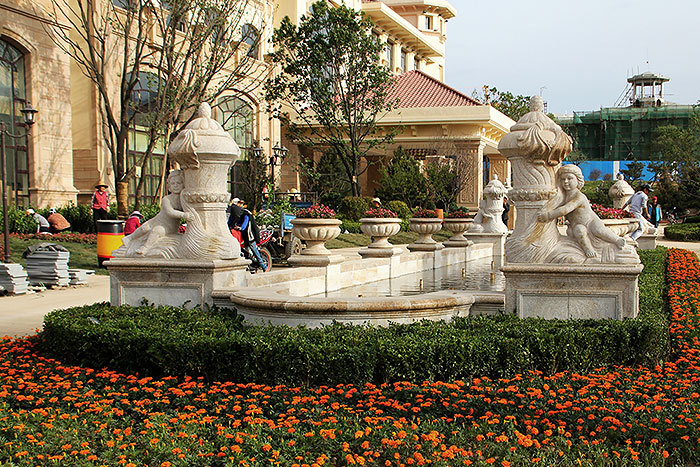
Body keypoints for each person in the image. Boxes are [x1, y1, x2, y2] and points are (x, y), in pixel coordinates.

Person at [537, 164, 625, 258]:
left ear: (578, 180)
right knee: (579, 231)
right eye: (563, 179)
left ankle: (617, 240)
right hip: (577, 225)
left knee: (600, 230)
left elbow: (565, 210)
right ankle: (588, 249)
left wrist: (548, 215)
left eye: (569, 178)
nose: (566, 181)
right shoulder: (564, 196)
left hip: (591, 222)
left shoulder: (579, 197)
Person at [234, 200, 266, 271]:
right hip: (243, 235)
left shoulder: (246, 213)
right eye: (238, 203)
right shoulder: (236, 213)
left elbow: (245, 222)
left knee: (254, 250)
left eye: (240, 203)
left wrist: (241, 227)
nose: (239, 205)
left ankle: (263, 266)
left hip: (250, 235)